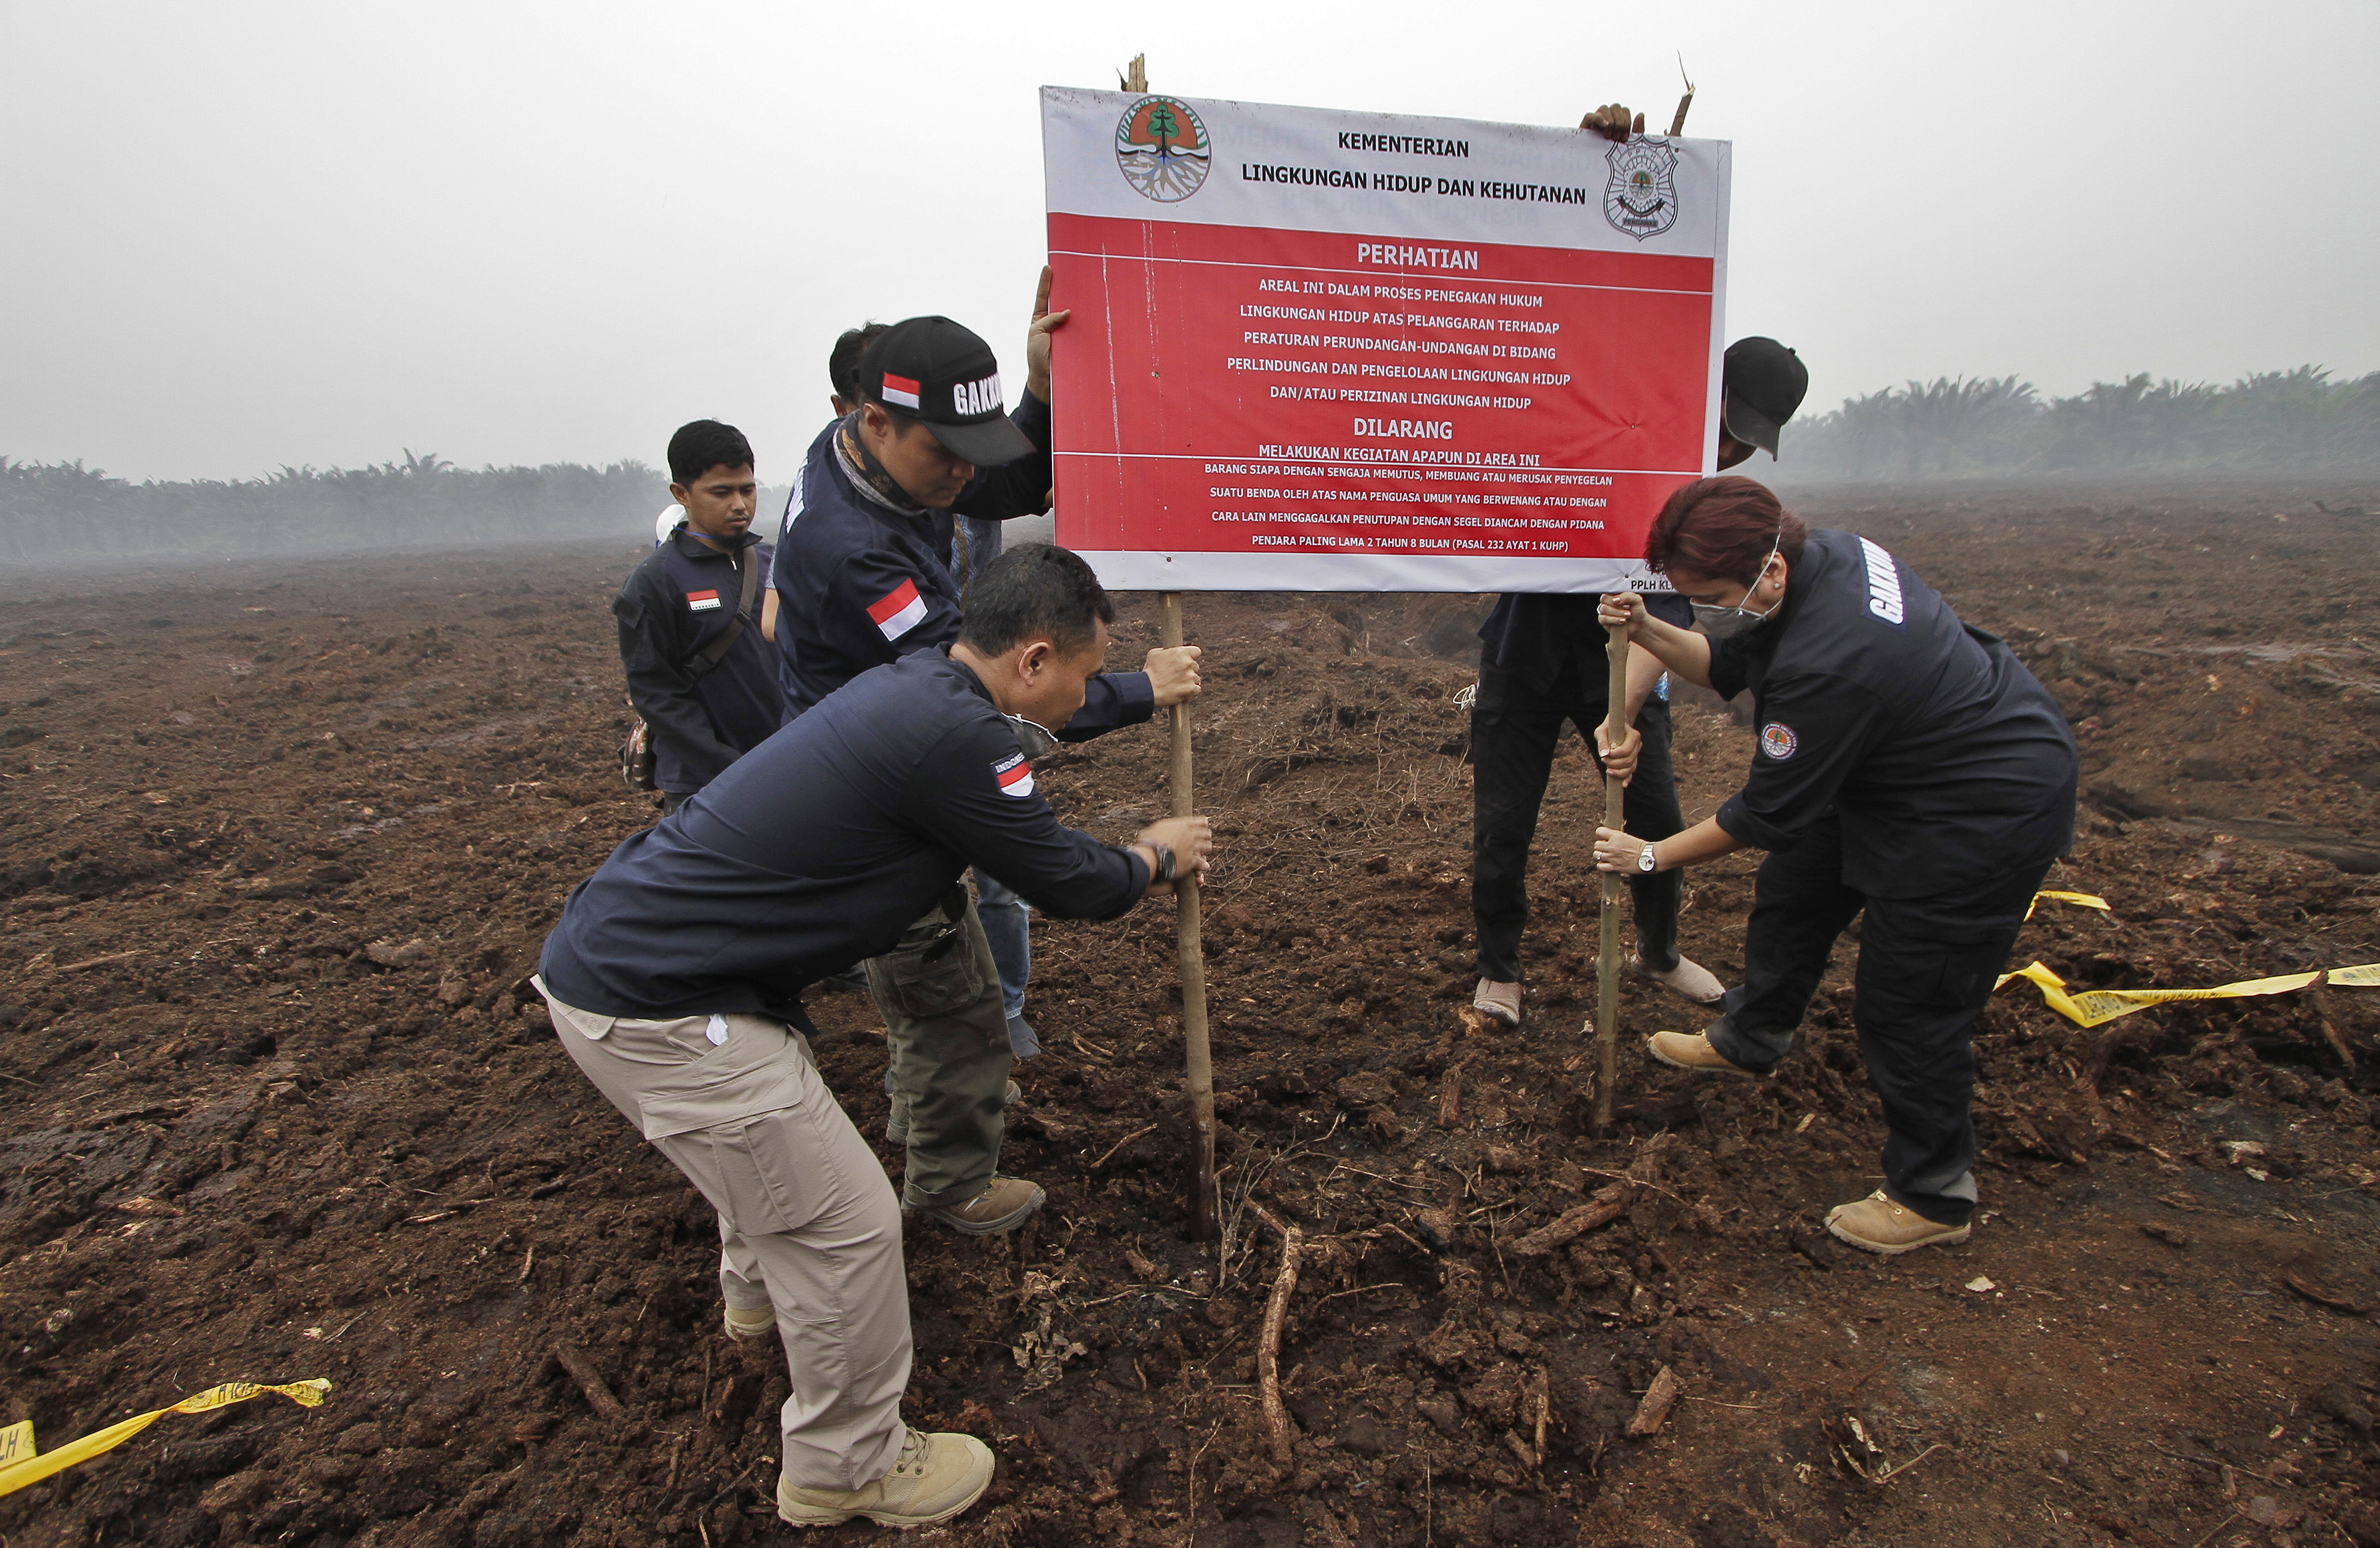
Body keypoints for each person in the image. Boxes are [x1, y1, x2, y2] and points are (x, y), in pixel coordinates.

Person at [536, 543, 1213, 1528]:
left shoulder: (918, 685)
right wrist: (1153, 854)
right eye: (1081, 668)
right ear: (1031, 660)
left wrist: (1128, 699)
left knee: (771, 1144)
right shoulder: (961, 740)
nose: (1084, 688)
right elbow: (1071, 880)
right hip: (662, 1008)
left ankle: (755, 1299)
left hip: (622, 961)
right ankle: (845, 1466)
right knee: (848, 1220)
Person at [774, 290, 1201, 1225]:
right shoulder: (859, 560)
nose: (966, 478)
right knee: (954, 992)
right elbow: (992, 688)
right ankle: (952, 1186)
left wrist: (1040, 396)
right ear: (874, 420)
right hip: (878, 799)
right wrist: (1139, 694)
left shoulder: (866, 456)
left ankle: (917, 1108)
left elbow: (1012, 485)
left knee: (927, 984)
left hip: (875, 753)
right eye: (948, 456)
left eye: (976, 449)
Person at [1590, 477, 2077, 1256]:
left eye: (1713, 594)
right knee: (1795, 893)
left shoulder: (1832, 661)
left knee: (1911, 1003)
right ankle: (1752, 1036)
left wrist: (1648, 854)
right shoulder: (1822, 557)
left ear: (1769, 572)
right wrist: (1649, 625)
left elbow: (1764, 814)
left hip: (1981, 808)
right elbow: (1725, 664)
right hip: (1889, 768)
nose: (1710, 607)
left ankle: (1934, 1192)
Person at [1468, 336, 1809, 1028]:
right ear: (1700, 394)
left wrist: (1618, 717)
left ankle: (1658, 952)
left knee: (1655, 819)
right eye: (1725, 428)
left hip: (1625, 664)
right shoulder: (1614, 435)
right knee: (1504, 826)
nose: (1729, 449)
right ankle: (1498, 968)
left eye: (1745, 442)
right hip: (1523, 654)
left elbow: (1676, 616)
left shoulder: (1709, 501)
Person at [615, 420, 785, 814]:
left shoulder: (778, 562)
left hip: (784, 767)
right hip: (702, 786)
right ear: (682, 494)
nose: (739, 504)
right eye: (721, 492)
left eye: (748, 489)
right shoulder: (653, 583)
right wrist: (724, 765)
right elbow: (655, 692)